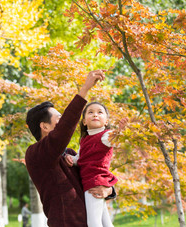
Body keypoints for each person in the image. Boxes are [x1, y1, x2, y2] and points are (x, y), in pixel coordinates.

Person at [25, 70, 115, 227]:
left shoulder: (70, 154)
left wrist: (108, 190)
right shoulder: (35, 154)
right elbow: (63, 130)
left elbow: (93, 173)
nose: (63, 121)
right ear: (45, 126)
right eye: (59, 118)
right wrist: (84, 90)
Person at [65, 102, 117, 227]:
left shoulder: (105, 136)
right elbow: (80, 159)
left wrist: (119, 132)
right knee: (106, 222)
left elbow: (112, 139)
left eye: (100, 112)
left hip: (95, 182)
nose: (95, 115)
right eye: (91, 112)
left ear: (106, 121)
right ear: (84, 122)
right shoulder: (84, 140)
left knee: (93, 222)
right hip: (91, 182)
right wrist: (70, 158)